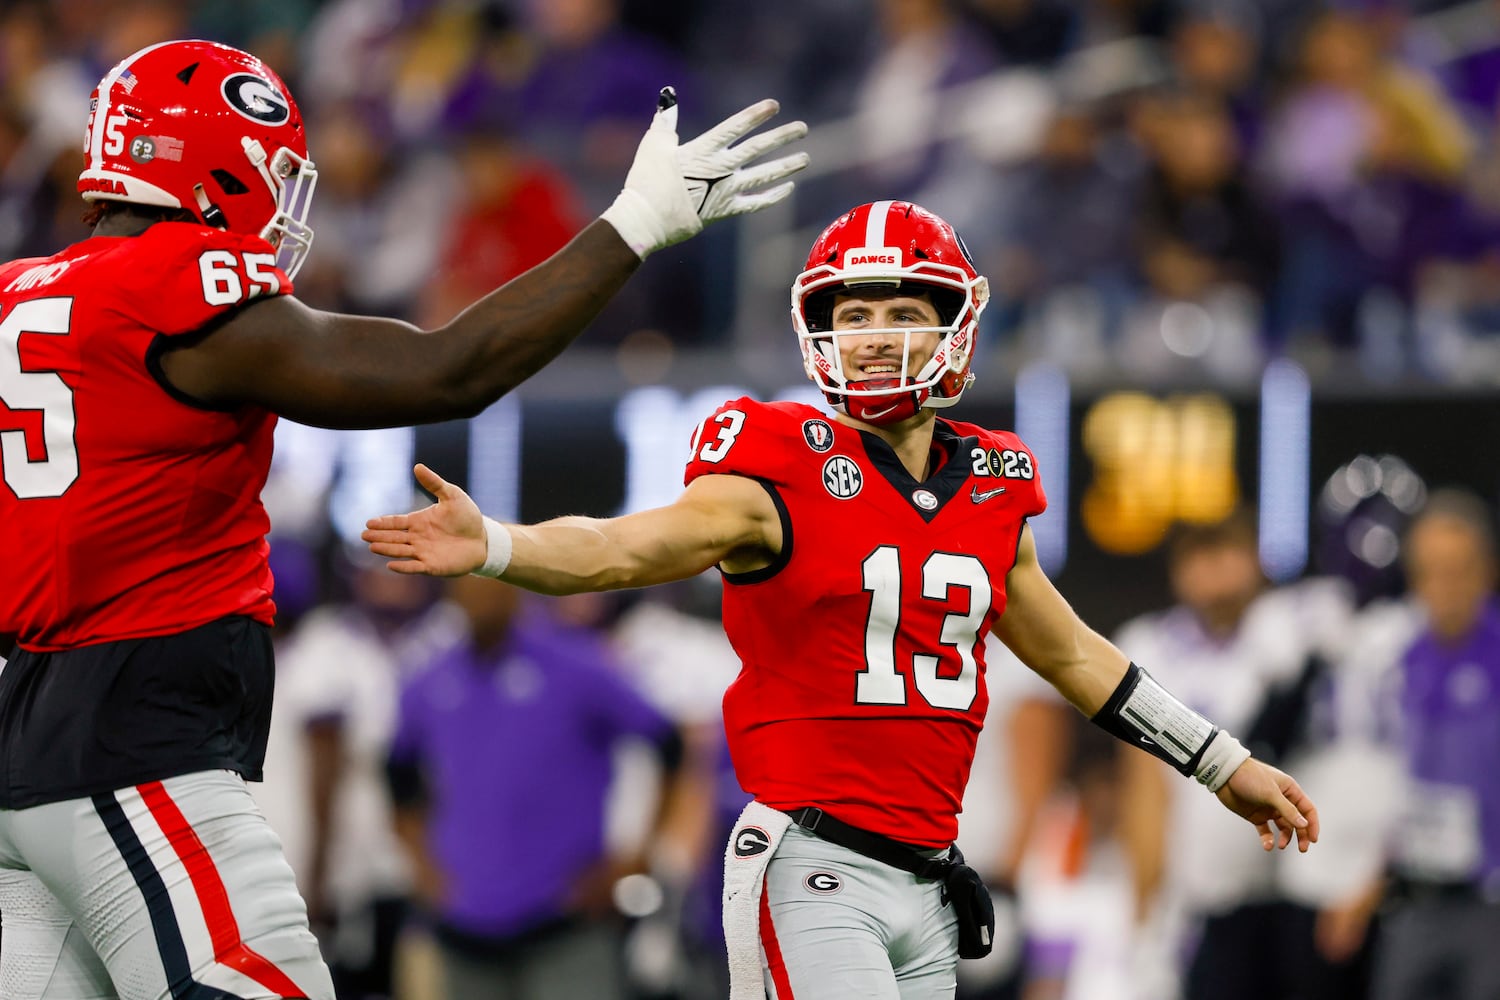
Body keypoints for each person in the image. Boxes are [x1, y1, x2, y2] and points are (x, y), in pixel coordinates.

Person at [0, 37, 807, 1000]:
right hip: (135, 751)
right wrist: (633, 224)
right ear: (210, 158)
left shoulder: (19, 291)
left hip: (28, 745)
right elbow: (448, 368)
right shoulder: (168, 285)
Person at [363, 200, 1320, 1000]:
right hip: (810, 863)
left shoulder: (992, 484)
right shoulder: (775, 466)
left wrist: (1221, 764)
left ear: (954, 324)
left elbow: (1074, 656)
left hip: (929, 878)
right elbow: (622, 549)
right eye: (850, 314)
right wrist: (497, 545)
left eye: (897, 309)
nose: (869, 338)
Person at [384, 576, 693, 1000]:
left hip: (565, 922)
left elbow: (668, 743)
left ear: (515, 586)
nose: (481, 592)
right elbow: (396, 774)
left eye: (490, 576)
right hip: (463, 925)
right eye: (468, 579)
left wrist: (638, 857)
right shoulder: (430, 679)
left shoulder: (576, 667)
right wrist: (420, 862)